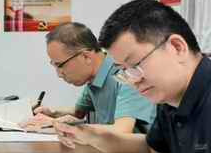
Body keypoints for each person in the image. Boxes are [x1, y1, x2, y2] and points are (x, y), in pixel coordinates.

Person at [55, 0, 211, 153]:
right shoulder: (171, 98)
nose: (133, 80)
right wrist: (91, 135)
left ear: (177, 47)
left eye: (135, 65)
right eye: (123, 71)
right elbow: (152, 150)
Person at [22, 22, 156, 133]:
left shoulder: (125, 73)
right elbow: (78, 113)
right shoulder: (94, 77)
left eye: (60, 65)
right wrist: (52, 113)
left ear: (86, 56)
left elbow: (122, 130)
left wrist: (60, 125)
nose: (59, 74)